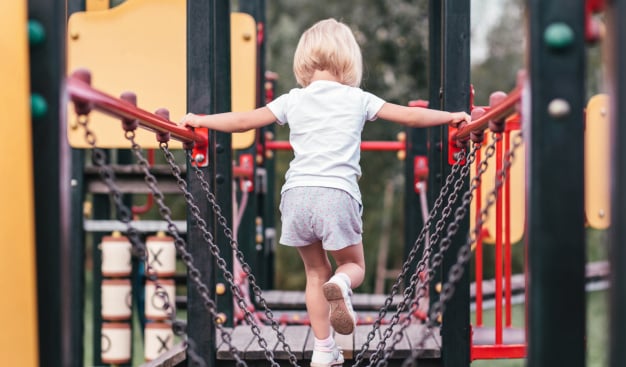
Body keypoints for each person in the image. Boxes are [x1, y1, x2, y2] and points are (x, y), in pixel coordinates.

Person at [180, 18, 470, 367]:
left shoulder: (293, 100)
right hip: (336, 194)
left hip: (296, 196)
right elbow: (409, 116)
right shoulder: (357, 98)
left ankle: (322, 350)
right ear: (349, 59)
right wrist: (450, 116)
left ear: (303, 61)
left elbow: (242, 122)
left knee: (315, 274)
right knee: (351, 265)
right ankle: (343, 284)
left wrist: (200, 120)